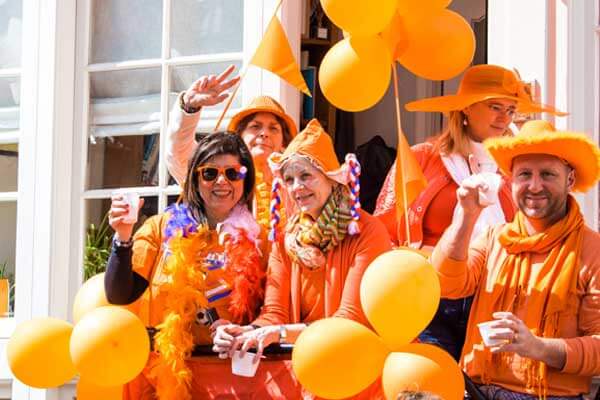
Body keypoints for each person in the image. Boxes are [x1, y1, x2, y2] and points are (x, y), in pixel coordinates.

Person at [374, 64, 564, 360]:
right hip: (427, 293)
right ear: (466, 109)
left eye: (511, 110)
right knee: (433, 380)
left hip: (493, 294)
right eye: (494, 107)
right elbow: (383, 229)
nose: (504, 118)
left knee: (483, 385)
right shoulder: (423, 156)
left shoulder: (515, 169)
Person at [212, 119, 392, 398]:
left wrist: (280, 333)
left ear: (332, 178)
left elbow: (349, 321)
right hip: (306, 375)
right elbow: (274, 314)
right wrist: (245, 332)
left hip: (358, 375)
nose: (296, 187)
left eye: (306, 176)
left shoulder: (368, 231)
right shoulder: (285, 237)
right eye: (289, 179)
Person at [431, 120, 600, 399]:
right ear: (511, 180)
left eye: (547, 174)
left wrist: (538, 348)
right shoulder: (494, 238)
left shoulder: (592, 250)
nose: (534, 186)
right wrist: (466, 217)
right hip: (475, 390)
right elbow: (445, 284)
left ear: (570, 180)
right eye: (524, 175)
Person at [105, 132, 265, 399]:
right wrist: (123, 236)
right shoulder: (161, 228)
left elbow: (273, 311)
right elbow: (120, 294)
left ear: (245, 179)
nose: (222, 181)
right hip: (163, 377)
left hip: (229, 382)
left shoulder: (260, 241)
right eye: (210, 173)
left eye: (233, 173)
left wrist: (244, 330)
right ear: (195, 178)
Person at [166, 65, 297, 238]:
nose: (264, 133)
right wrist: (189, 107)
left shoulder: (297, 185)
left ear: (284, 143)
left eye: (273, 129)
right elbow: (179, 155)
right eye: (255, 126)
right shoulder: (218, 176)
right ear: (239, 138)